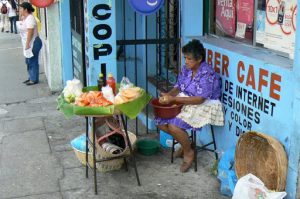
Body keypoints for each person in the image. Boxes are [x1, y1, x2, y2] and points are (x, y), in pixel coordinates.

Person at [155, 39, 222, 173]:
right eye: (185, 57)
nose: (186, 61)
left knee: (174, 126)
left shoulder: (206, 73)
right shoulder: (186, 69)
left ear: (199, 59)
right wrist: (168, 96)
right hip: (185, 99)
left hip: (205, 104)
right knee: (160, 122)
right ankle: (186, 142)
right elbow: (178, 86)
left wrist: (173, 99)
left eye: (189, 58)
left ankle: (188, 152)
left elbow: (200, 99)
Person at [18, 2, 42, 85]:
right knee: (28, 61)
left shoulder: (30, 18)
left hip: (33, 42)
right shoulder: (25, 18)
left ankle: (34, 79)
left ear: (26, 9)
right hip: (28, 43)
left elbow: (30, 32)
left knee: (32, 61)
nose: (19, 10)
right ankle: (31, 77)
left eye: (21, 8)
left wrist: (27, 43)